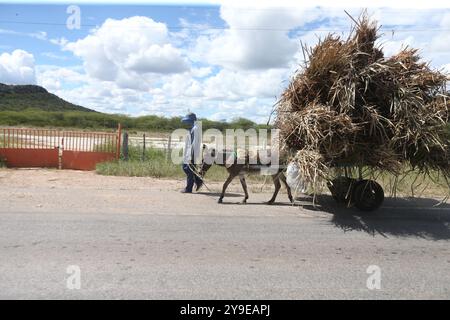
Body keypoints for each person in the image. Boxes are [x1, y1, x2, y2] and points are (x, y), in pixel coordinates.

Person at [181, 112, 203, 193]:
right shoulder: (193, 128)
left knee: (188, 169)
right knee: (185, 168)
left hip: (192, 153)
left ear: (192, 120)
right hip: (189, 153)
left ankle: (189, 188)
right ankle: (198, 181)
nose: (187, 123)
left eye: (188, 121)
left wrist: (191, 155)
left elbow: (194, 143)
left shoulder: (196, 128)